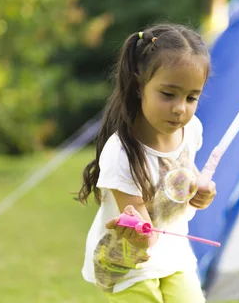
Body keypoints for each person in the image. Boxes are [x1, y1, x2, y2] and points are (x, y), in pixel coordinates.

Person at [77, 23, 217, 303]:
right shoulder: (121, 153)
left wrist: (201, 193)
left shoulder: (192, 130)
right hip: (127, 261)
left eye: (192, 97)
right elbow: (144, 233)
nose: (180, 108)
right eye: (168, 94)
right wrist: (138, 235)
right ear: (140, 85)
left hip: (173, 253)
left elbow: (183, 179)